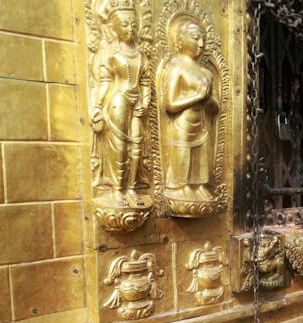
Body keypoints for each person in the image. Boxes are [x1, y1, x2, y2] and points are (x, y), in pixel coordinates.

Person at [91, 0, 149, 207]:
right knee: (119, 147)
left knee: (136, 147)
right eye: (124, 24)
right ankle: (117, 190)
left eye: (133, 24)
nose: (130, 29)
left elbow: (144, 82)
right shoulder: (110, 54)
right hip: (118, 100)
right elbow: (105, 83)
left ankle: (132, 189)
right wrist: (97, 107)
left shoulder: (141, 55)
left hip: (136, 102)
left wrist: (145, 101)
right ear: (113, 28)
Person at [160, 17, 215, 205]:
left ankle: (197, 186)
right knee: (182, 162)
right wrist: (198, 96)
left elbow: (213, 106)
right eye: (195, 38)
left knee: (200, 163)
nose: (201, 44)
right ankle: (180, 186)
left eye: (204, 40)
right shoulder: (177, 68)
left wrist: (208, 99)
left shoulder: (206, 73)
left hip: (201, 124)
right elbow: (170, 104)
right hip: (182, 125)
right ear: (181, 40)